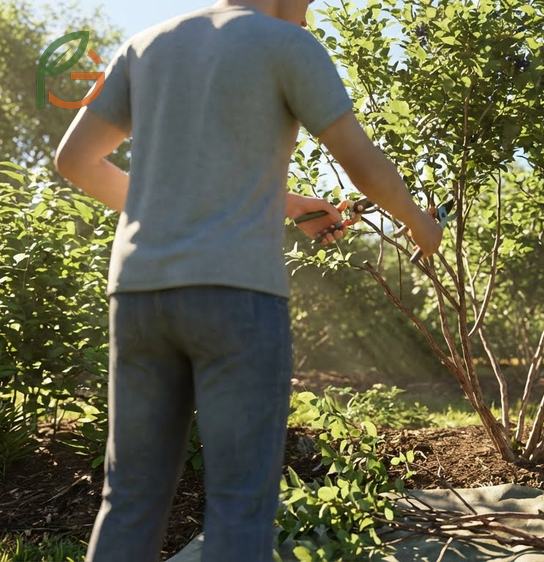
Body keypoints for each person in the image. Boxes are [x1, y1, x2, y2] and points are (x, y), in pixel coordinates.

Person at [53, 0, 442, 560]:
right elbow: (360, 160)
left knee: (131, 496)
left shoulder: (147, 44)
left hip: (138, 292)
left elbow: (76, 161)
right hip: (236, 295)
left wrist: (277, 205)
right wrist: (419, 224)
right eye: (307, 4)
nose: (308, 19)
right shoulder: (288, 46)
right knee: (239, 502)